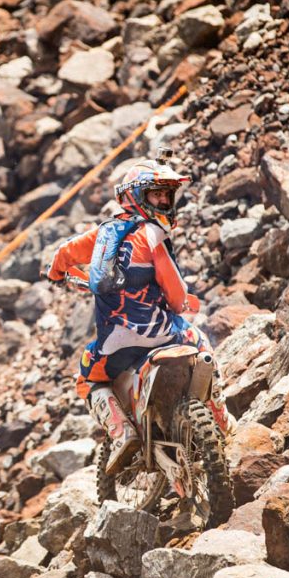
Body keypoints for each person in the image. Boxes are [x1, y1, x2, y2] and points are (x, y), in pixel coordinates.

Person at [46, 153, 201, 456]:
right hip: (162, 335)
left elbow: (65, 253)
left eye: (167, 195)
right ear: (138, 197)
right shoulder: (153, 236)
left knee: (86, 379)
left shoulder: (103, 235)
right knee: (201, 345)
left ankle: (121, 432)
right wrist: (180, 306)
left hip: (114, 346)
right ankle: (218, 414)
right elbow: (175, 293)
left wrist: (55, 274)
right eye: (156, 194)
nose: (163, 201)